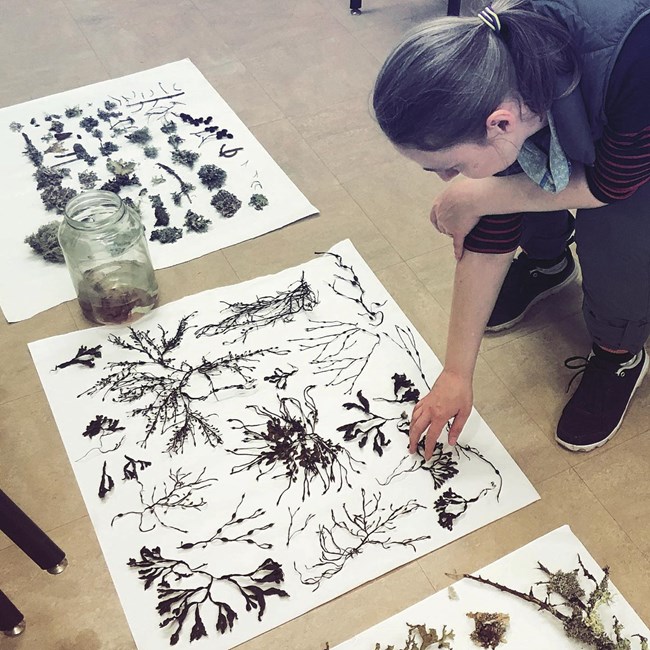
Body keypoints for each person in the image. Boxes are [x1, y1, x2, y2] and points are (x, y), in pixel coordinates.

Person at [372, 0, 650, 459]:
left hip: (637, 129)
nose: (448, 180)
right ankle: (548, 264)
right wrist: (457, 373)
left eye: (450, 166)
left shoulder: (635, 54)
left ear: (497, 121)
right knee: (516, 168)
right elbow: (494, 216)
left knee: (620, 227)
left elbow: (615, 184)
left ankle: (620, 353)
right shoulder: (494, 62)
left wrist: (479, 196)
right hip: (610, 114)